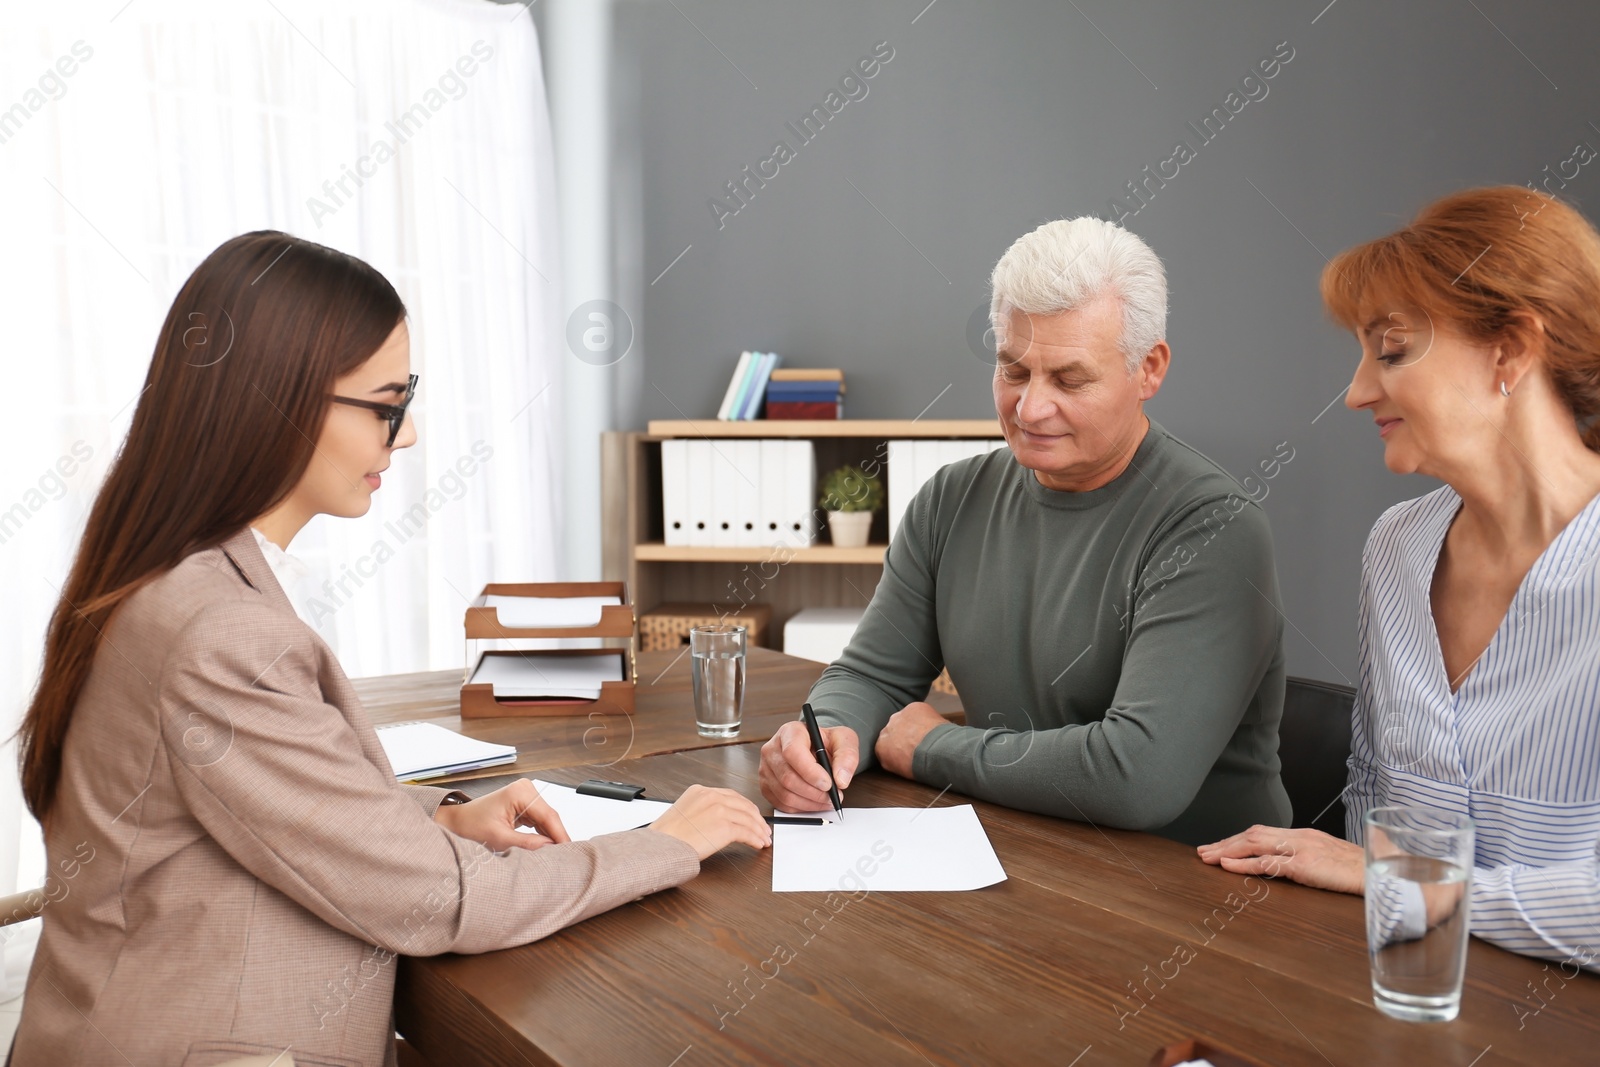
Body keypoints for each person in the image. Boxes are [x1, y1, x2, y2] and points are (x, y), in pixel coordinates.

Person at [10, 231, 770, 1066]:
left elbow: (241, 799)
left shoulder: (158, 571)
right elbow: (447, 901)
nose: (405, 438)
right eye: (386, 404)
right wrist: (667, 840)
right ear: (276, 401)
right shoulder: (222, 632)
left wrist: (434, 816)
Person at [759, 217, 1292, 846]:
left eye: (1069, 379)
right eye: (1014, 370)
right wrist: (826, 739)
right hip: (1024, 853)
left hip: (1196, 898)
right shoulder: (951, 499)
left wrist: (931, 746)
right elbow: (871, 677)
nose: (1030, 409)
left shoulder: (1212, 526)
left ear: (1148, 369)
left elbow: (1137, 777)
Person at [1198, 185, 1600, 971]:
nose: (1356, 391)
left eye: (1392, 350)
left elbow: (1378, 871)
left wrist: (1398, 882)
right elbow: (1373, 802)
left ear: (1512, 348)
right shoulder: (1397, 545)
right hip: (1401, 1008)